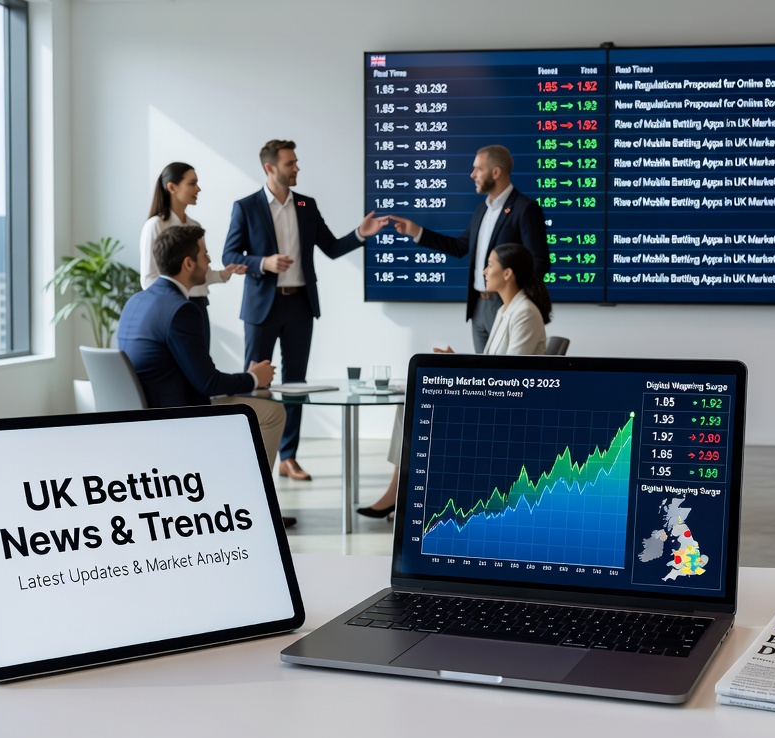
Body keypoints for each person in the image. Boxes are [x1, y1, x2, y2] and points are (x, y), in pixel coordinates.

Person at [222, 139, 387, 482]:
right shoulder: (246, 207)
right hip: (261, 307)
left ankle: (288, 456)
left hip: (300, 304)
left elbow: (331, 247)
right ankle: (248, 453)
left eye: (296, 162)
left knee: (296, 384)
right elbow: (229, 256)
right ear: (270, 168)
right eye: (290, 163)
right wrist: (263, 262)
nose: (297, 168)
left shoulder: (305, 205)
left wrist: (360, 233)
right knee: (254, 384)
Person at [357, 243, 551, 518]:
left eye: (490, 265)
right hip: (495, 400)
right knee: (410, 403)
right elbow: (494, 366)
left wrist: (460, 369)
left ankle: (399, 491)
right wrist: (457, 360)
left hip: (507, 410)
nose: (484, 271)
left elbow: (511, 375)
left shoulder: (524, 313)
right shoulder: (505, 310)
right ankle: (400, 488)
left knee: (415, 404)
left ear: (507, 273)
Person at [117, 225, 293, 525]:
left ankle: (232, 495)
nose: (210, 261)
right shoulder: (181, 309)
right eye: (205, 255)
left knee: (252, 400)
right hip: (176, 414)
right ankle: (252, 506)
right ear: (188, 263)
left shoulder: (137, 301)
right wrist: (253, 377)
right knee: (273, 412)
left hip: (142, 411)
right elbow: (207, 382)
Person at [388, 145, 549, 353]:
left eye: (478, 169)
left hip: (505, 303)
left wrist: (515, 300)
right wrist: (417, 232)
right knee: (483, 376)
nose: (472, 174)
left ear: (496, 172)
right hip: (479, 305)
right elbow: (460, 246)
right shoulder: (482, 209)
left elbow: (540, 262)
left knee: (503, 376)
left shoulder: (524, 209)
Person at [139, 162, 244, 296]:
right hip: (174, 304)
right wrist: (172, 300)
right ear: (171, 187)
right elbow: (149, 279)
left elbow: (199, 272)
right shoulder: (155, 225)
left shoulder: (195, 226)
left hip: (199, 304)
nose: (198, 189)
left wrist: (225, 273)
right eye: (192, 183)